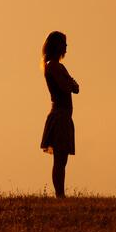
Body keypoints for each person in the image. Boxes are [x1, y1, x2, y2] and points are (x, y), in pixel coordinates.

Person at [40, 31, 79, 198]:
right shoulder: (53, 66)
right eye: (64, 44)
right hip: (60, 116)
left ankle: (60, 193)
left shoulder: (58, 66)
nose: (66, 48)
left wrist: (70, 83)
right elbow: (67, 86)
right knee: (59, 160)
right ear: (57, 45)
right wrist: (70, 82)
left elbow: (75, 87)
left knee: (62, 159)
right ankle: (59, 194)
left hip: (65, 116)